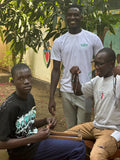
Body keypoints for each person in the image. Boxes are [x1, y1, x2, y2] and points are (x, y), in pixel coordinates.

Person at [0, 63, 85, 160]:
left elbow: (26, 124)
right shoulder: (10, 107)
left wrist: (45, 120)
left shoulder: (29, 98)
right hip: (24, 152)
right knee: (78, 147)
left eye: (29, 77)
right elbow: (1, 143)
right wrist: (35, 138)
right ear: (12, 82)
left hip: (35, 142)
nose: (27, 81)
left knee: (80, 141)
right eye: (21, 78)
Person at [48, 4, 103, 129]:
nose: (73, 17)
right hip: (66, 91)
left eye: (76, 15)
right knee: (71, 128)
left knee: (83, 128)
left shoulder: (92, 38)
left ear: (81, 17)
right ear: (65, 18)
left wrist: (97, 88)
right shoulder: (59, 42)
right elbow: (56, 70)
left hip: (86, 91)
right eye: (70, 15)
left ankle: (82, 149)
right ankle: (74, 148)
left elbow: (102, 65)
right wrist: (51, 97)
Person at [65, 48, 120, 160]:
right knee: (65, 137)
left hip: (112, 130)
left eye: (100, 64)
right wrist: (74, 76)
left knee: (97, 156)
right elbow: (78, 91)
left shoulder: (118, 81)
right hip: (95, 126)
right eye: (95, 63)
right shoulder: (97, 80)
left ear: (111, 64)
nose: (96, 67)